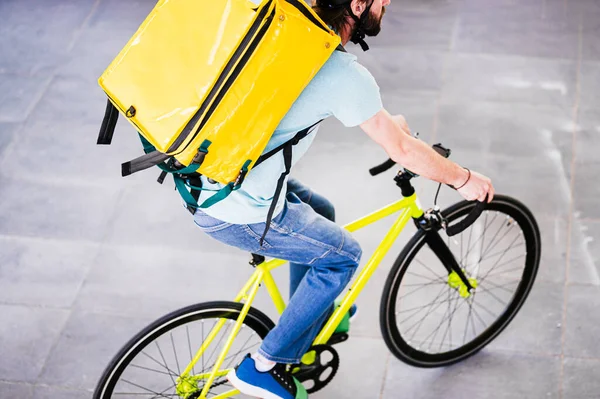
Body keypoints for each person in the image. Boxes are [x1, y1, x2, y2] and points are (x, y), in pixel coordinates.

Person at [193, 0, 495, 397]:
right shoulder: (340, 72)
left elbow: (386, 133)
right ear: (356, 5)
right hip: (240, 210)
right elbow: (403, 151)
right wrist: (463, 179)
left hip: (210, 179)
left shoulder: (289, 33)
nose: (388, 3)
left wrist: (393, 131)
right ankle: (263, 366)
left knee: (323, 211)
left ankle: (310, 319)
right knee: (343, 256)